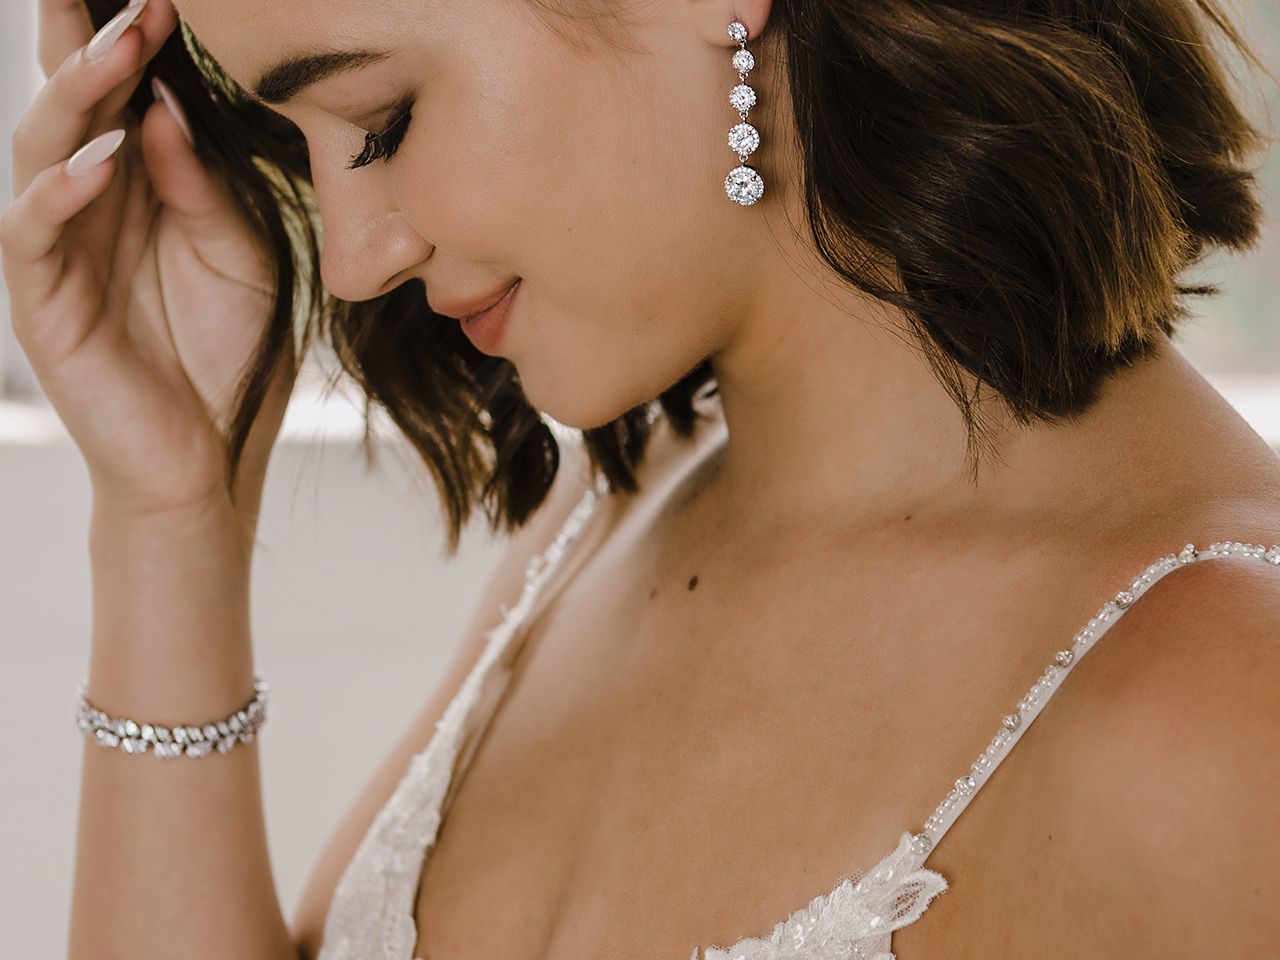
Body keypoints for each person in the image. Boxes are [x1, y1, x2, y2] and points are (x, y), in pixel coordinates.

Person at [4, 0, 1280, 956]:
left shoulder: (1218, 722)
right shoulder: (606, 521)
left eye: (382, 121)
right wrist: (168, 515)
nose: (350, 262)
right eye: (303, 149)